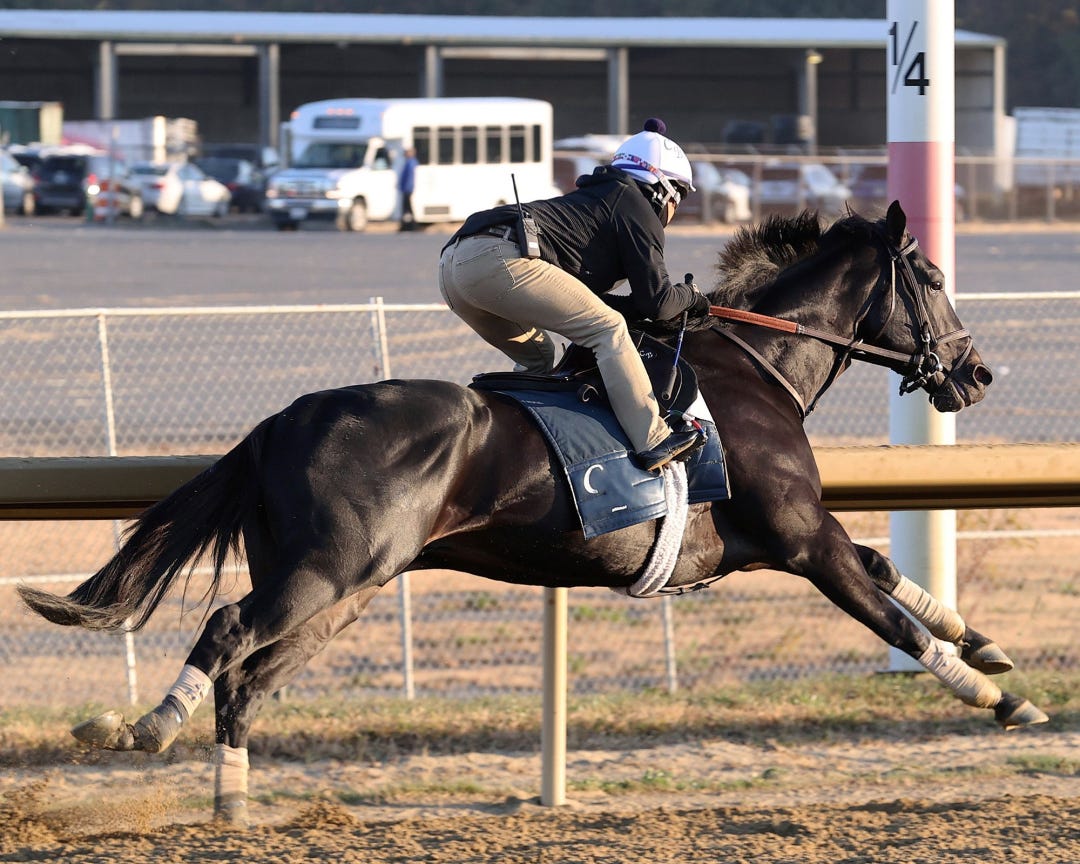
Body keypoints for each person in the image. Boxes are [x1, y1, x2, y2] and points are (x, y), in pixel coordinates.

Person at [439, 118, 709, 472]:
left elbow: (603, 304)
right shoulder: (635, 204)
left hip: (453, 266)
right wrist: (691, 296)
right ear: (663, 188)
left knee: (540, 356)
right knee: (608, 331)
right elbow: (657, 303)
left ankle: (510, 440)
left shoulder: (599, 200)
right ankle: (653, 439)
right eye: (680, 197)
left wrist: (662, 303)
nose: (676, 210)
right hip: (498, 260)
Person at [398, 147, 418, 231]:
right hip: (406, 189)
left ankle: (410, 226)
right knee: (406, 209)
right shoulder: (409, 162)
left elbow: (409, 177)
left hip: (407, 189)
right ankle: (406, 225)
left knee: (407, 209)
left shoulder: (411, 163)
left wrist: (407, 188)